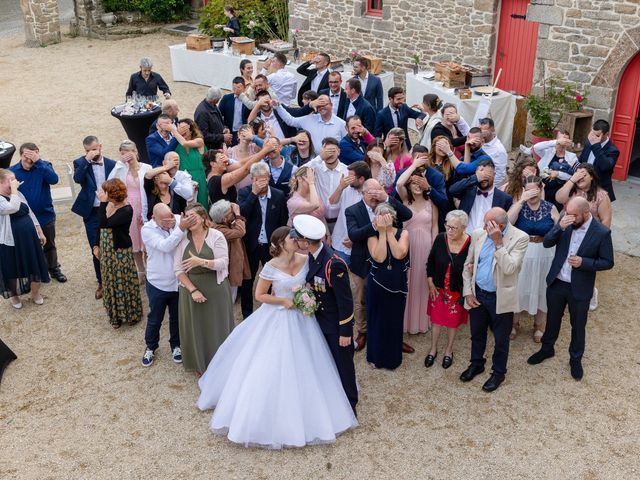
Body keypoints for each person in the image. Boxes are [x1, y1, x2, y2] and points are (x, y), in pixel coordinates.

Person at [196, 225, 357, 448]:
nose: (297, 240)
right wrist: (283, 301)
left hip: (305, 319)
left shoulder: (306, 259)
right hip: (278, 317)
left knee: (312, 363)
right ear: (281, 242)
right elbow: (260, 295)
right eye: (292, 238)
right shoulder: (271, 267)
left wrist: (307, 299)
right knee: (272, 363)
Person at [527, 196, 614, 380]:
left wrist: (584, 262)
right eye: (567, 213)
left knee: (578, 325)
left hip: (580, 287)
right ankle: (547, 349)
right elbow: (547, 242)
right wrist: (560, 227)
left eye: (574, 215)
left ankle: (575, 359)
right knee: (552, 320)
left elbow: (608, 262)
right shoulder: (565, 221)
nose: (569, 217)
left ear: (585, 213)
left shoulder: (601, 232)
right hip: (558, 282)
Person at [460, 208, 529, 392]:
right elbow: (468, 265)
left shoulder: (520, 238)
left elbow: (510, 268)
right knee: (477, 333)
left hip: (501, 298)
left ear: (499, 226)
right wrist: (468, 292)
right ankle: (476, 363)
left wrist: (499, 243)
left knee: (501, 339)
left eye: (487, 224)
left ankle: (498, 372)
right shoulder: (478, 234)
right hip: (478, 294)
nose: (483, 227)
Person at [346, 178, 413, 352]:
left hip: (389, 264)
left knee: (389, 300)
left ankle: (392, 336)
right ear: (363, 192)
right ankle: (363, 333)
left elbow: (408, 215)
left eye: (378, 192)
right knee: (361, 299)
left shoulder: (388, 204)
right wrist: (375, 225)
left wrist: (388, 197)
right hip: (362, 263)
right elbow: (353, 235)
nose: (376, 196)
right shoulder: (352, 210)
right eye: (372, 193)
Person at [174, 203, 235, 374]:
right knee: (196, 328)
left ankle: (221, 364)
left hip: (216, 288)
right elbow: (178, 270)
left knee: (217, 326)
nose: (190, 219)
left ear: (203, 218)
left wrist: (201, 262)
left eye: (193, 215)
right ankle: (199, 363)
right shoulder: (183, 239)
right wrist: (193, 290)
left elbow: (224, 262)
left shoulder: (216, 235)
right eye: (187, 216)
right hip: (191, 289)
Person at [140, 204, 195, 367]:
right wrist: (181, 229)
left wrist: (182, 224)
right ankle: (150, 347)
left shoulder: (179, 220)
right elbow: (165, 246)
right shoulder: (147, 230)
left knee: (176, 317)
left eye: (171, 215)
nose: (171, 221)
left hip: (179, 281)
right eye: (165, 220)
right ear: (154, 218)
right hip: (158, 282)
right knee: (155, 318)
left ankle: (176, 346)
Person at [507, 176, 560, 342]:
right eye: (528, 189)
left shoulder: (550, 207)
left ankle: (539, 325)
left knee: (542, 287)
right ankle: (514, 323)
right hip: (524, 251)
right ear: (524, 190)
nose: (532, 193)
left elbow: (560, 229)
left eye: (535, 189)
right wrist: (521, 201)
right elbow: (507, 221)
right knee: (519, 286)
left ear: (541, 189)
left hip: (545, 252)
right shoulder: (519, 207)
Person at [238, 162, 289, 318]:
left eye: (264, 178)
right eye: (257, 179)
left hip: (271, 245)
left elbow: (282, 221)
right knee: (248, 280)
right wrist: (253, 194)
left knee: (272, 279)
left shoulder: (278, 195)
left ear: (268, 178)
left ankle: (269, 311)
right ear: (252, 179)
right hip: (251, 244)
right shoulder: (244, 193)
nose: (261, 182)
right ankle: (247, 315)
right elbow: (242, 215)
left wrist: (280, 245)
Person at [10, 142, 66, 282]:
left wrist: (38, 162)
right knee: (28, 249)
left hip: (45, 215)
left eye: (32, 156)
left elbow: (54, 180)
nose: (29, 160)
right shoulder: (12, 172)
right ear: (20, 155)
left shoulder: (44, 165)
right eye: (26, 156)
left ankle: (53, 269)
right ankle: (34, 274)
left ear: (37, 154)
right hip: (24, 218)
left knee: (50, 245)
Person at [396, 158, 439, 335]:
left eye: (420, 182)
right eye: (413, 182)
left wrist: (435, 250)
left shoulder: (432, 203)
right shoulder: (405, 201)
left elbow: (435, 226)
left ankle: (421, 320)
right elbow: (399, 182)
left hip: (426, 247)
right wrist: (413, 167)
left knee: (422, 282)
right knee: (407, 281)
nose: (417, 186)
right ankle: (405, 321)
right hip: (407, 246)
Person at [365, 203, 410, 369]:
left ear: (393, 218)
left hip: (396, 283)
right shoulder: (371, 235)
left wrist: (389, 231)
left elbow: (399, 253)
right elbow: (379, 257)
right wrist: (382, 233)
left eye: (385, 216)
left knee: (393, 321)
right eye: (379, 216)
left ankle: (392, 359)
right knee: (376, 321)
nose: (382, 219)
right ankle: (375, 357)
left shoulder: (403, 233)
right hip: (377, 284)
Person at [93, 178, 142, 329]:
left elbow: (104, 224)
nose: (103, 194)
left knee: (123, 282)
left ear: (112, 194)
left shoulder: (126, 210)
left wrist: (102, 204)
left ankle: (131, 314)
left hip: (120, 251)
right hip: (107, 250)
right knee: (110, 281)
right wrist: (96, 245)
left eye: (106, 192)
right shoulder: (110, 206)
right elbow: (99, 228)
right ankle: (115, 315)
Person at [71, 136, 116, 300]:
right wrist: (86, 160)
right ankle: (102, 281)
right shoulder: (80, 162)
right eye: (88, 150)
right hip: (92, 212)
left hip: (111, 209)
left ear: (101, 146)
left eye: (95, 149)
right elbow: (77, 179)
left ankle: (115, 277)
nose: (92, 152)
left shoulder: (112, 164)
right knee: (96, 247)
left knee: (115, 243)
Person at [426, 210, 471, 369]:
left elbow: (472, 268)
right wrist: (430, 283)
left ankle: (448, 351)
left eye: (454, 228)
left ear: (464, 228)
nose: (449, 230)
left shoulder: (470, 243)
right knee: (436, 321)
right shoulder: (440, 238)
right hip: (438, 289)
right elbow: (430, 261)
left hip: (456, 291)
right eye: (448, 226)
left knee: (452, 323)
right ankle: (433, 349)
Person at [0, 169, 49, 308]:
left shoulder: (17, 194)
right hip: (10, 241)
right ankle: (14, 296)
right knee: (11, 268)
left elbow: (29, 212)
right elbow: (13, 208)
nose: (15, 183)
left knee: (34, 264)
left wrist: (39, 231)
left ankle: (35, 293)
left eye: (14, 179)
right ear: (1, 182)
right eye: (11, 180)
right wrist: (14, 191)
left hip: (29, 238)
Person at [108, 140, 152, 282]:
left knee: (146, 242)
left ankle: (151, 269)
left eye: (129, 152)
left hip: (144, 205)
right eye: (123, 153)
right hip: (128, 208)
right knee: (135, 241)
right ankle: (140, 270)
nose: (127, 155)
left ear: (135, 152)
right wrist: (119, 163)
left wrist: (145, 212)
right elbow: (110, 182)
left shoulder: (146, 167)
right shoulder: (121, 168)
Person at [449, 159, 513, 234]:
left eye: (487, 174)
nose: (483, 178)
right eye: (481, 175)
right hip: (465, 237)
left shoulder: (505, 198)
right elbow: (452, 190)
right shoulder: (467, 191)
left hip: (488, 240)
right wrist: (475, 178)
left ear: (494, 174)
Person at [204, 140, 275, 205]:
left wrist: (263, 152)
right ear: (212, 164)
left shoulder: (221, 173)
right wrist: (265, 150)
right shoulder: (216, 180)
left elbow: (241, 163)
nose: (224, 161)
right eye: (221, 158)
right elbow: (246, 169)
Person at [209, 199, 250, 303]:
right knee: (228, 300)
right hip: (227, 272)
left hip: (231, 269)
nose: (233, 214)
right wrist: (238, 214)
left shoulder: (226, 224)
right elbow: (240, 232)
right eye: (231, 213)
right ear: (224, 218)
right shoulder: (219, 230)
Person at [276, 95, 346, 155]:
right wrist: (278, 106)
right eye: (319, 105)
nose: (322, 107)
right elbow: (291, 121)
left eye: (324, 104)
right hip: (312, 163)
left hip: (333, 164)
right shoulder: (310, 119)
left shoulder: (341, 124)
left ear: (331, 105)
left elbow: (347, 144)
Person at [306, 138, 349, 230]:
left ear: (339, 152)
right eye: (326, 151)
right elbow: (297, 173)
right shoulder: (316, 167)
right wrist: (320, 157)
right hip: (318, 220)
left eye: (332, 151)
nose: (329, 154)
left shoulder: (347, 170)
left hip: (340, 222)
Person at [556, 163, 612, 228]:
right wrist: (572, 180)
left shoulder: (601, 195)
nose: (580, 178)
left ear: (591, 177)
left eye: (584, 175)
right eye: (578, 175)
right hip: (567, 228)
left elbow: (606, 220)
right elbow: (559, 199)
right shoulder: (570, 188)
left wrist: (599, 237)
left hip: (589, 232)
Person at [533, 130, 578, 209]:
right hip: (542, 187)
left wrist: (558, 174)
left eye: (565, 142)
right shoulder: (548, 152)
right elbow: (536, 147)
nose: (562, 145)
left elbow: (573, 176)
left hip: (559, 190)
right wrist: (556, 142)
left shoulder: (572, 157)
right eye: (561, 141)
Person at [578, 119, 619, 202]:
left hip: (599, 189)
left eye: (597, 136)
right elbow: (581, 161)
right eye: (593, 133)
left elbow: (605, 166)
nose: (593, 138)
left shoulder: (613, 150)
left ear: (606, 134)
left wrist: (596, 145)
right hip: (583, 187)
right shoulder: (588, 143)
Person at [143, 153, 191, 219]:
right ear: (155, 180)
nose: (163, 178)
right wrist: (166, 167)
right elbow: (147, 175)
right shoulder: (151, 191)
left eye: (165, 175)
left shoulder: (176, 190)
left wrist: (170, 180)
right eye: (158, 176)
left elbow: (188, 195)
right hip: (156, 227)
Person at [173, 118, 208, 207]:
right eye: (180, 128)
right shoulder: (176, 146)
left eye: (184, 128)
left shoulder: (199, 141)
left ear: (191, 130)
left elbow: (185, 143)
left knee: (201, 205)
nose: (182, 130)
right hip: (183, 180)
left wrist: (173, 131)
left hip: (198, 178)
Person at [219, 77, 250, 146]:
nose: (236, 90)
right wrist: (224, 127)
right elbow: (219, 115)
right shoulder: (226, 98)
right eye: (234, 88)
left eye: (239, 87)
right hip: (230, 132)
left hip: (243, 132)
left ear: (244, 88)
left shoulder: (248, 100)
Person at [478, 118, 508, 187]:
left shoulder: (499, 150)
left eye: (484, 130)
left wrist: (490, 189)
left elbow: (500, 175)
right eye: (480, 129)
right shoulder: (480, 142)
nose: (481, 132)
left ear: (492, 130)